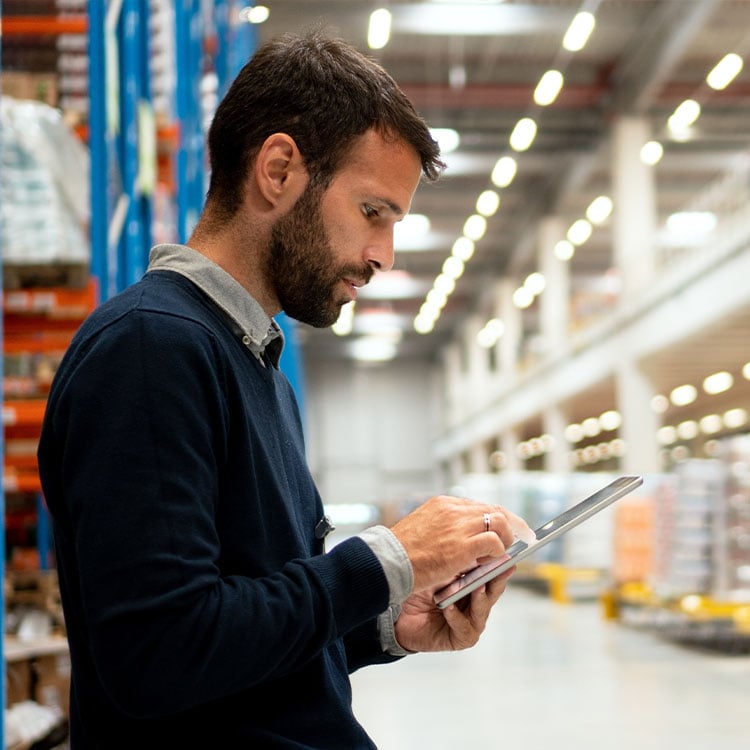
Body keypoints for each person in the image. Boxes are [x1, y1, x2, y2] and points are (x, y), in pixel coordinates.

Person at [37, 31, 531, 748]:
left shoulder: (253, 363)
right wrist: (388, 559)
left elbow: (249, 635)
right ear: (278, 169)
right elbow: (159, 656)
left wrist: (387, 622)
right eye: (372, 213)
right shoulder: (152, 350)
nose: (382, 257)